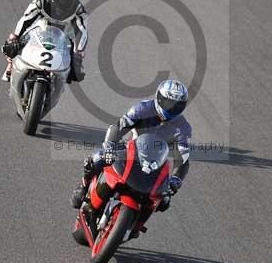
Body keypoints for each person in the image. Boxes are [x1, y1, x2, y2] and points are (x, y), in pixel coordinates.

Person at [70, 79, 192, 217]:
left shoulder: (183, 128)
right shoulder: (142, 108)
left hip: (155, 163)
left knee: (164, 200)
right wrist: (110, 147)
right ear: (158, 97)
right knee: (98, 157)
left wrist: (176, 180)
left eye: (177, 106)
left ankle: (136, 223)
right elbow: (118, 127)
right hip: (130, 149)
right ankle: (83, 185)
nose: (171, 109)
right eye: (168, 103)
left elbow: (183, 159)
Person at [2, 0, 88, 82]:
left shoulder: (79, 10)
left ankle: (60, 80)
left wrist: (78, 52)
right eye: (61, 0)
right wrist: (16, 37)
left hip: (64, 38)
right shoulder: (40, 3)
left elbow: (82, 31)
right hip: (40, 33)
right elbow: (25, 20)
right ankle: (10, 64)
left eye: (68, 0)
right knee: (12, 42)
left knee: (76, 70)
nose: (63, 4)